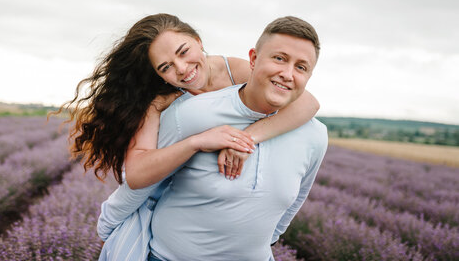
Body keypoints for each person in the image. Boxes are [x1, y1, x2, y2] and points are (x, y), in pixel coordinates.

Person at [99, 16, 327, 261]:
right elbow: (138, 174)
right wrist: (109, 224)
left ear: (198, 42)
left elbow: (308, 103)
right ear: (158, 74)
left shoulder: (236, 70)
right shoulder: (167, 105)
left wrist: (245, 140)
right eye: (165, 67)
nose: (183, 68)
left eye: (184, 52)